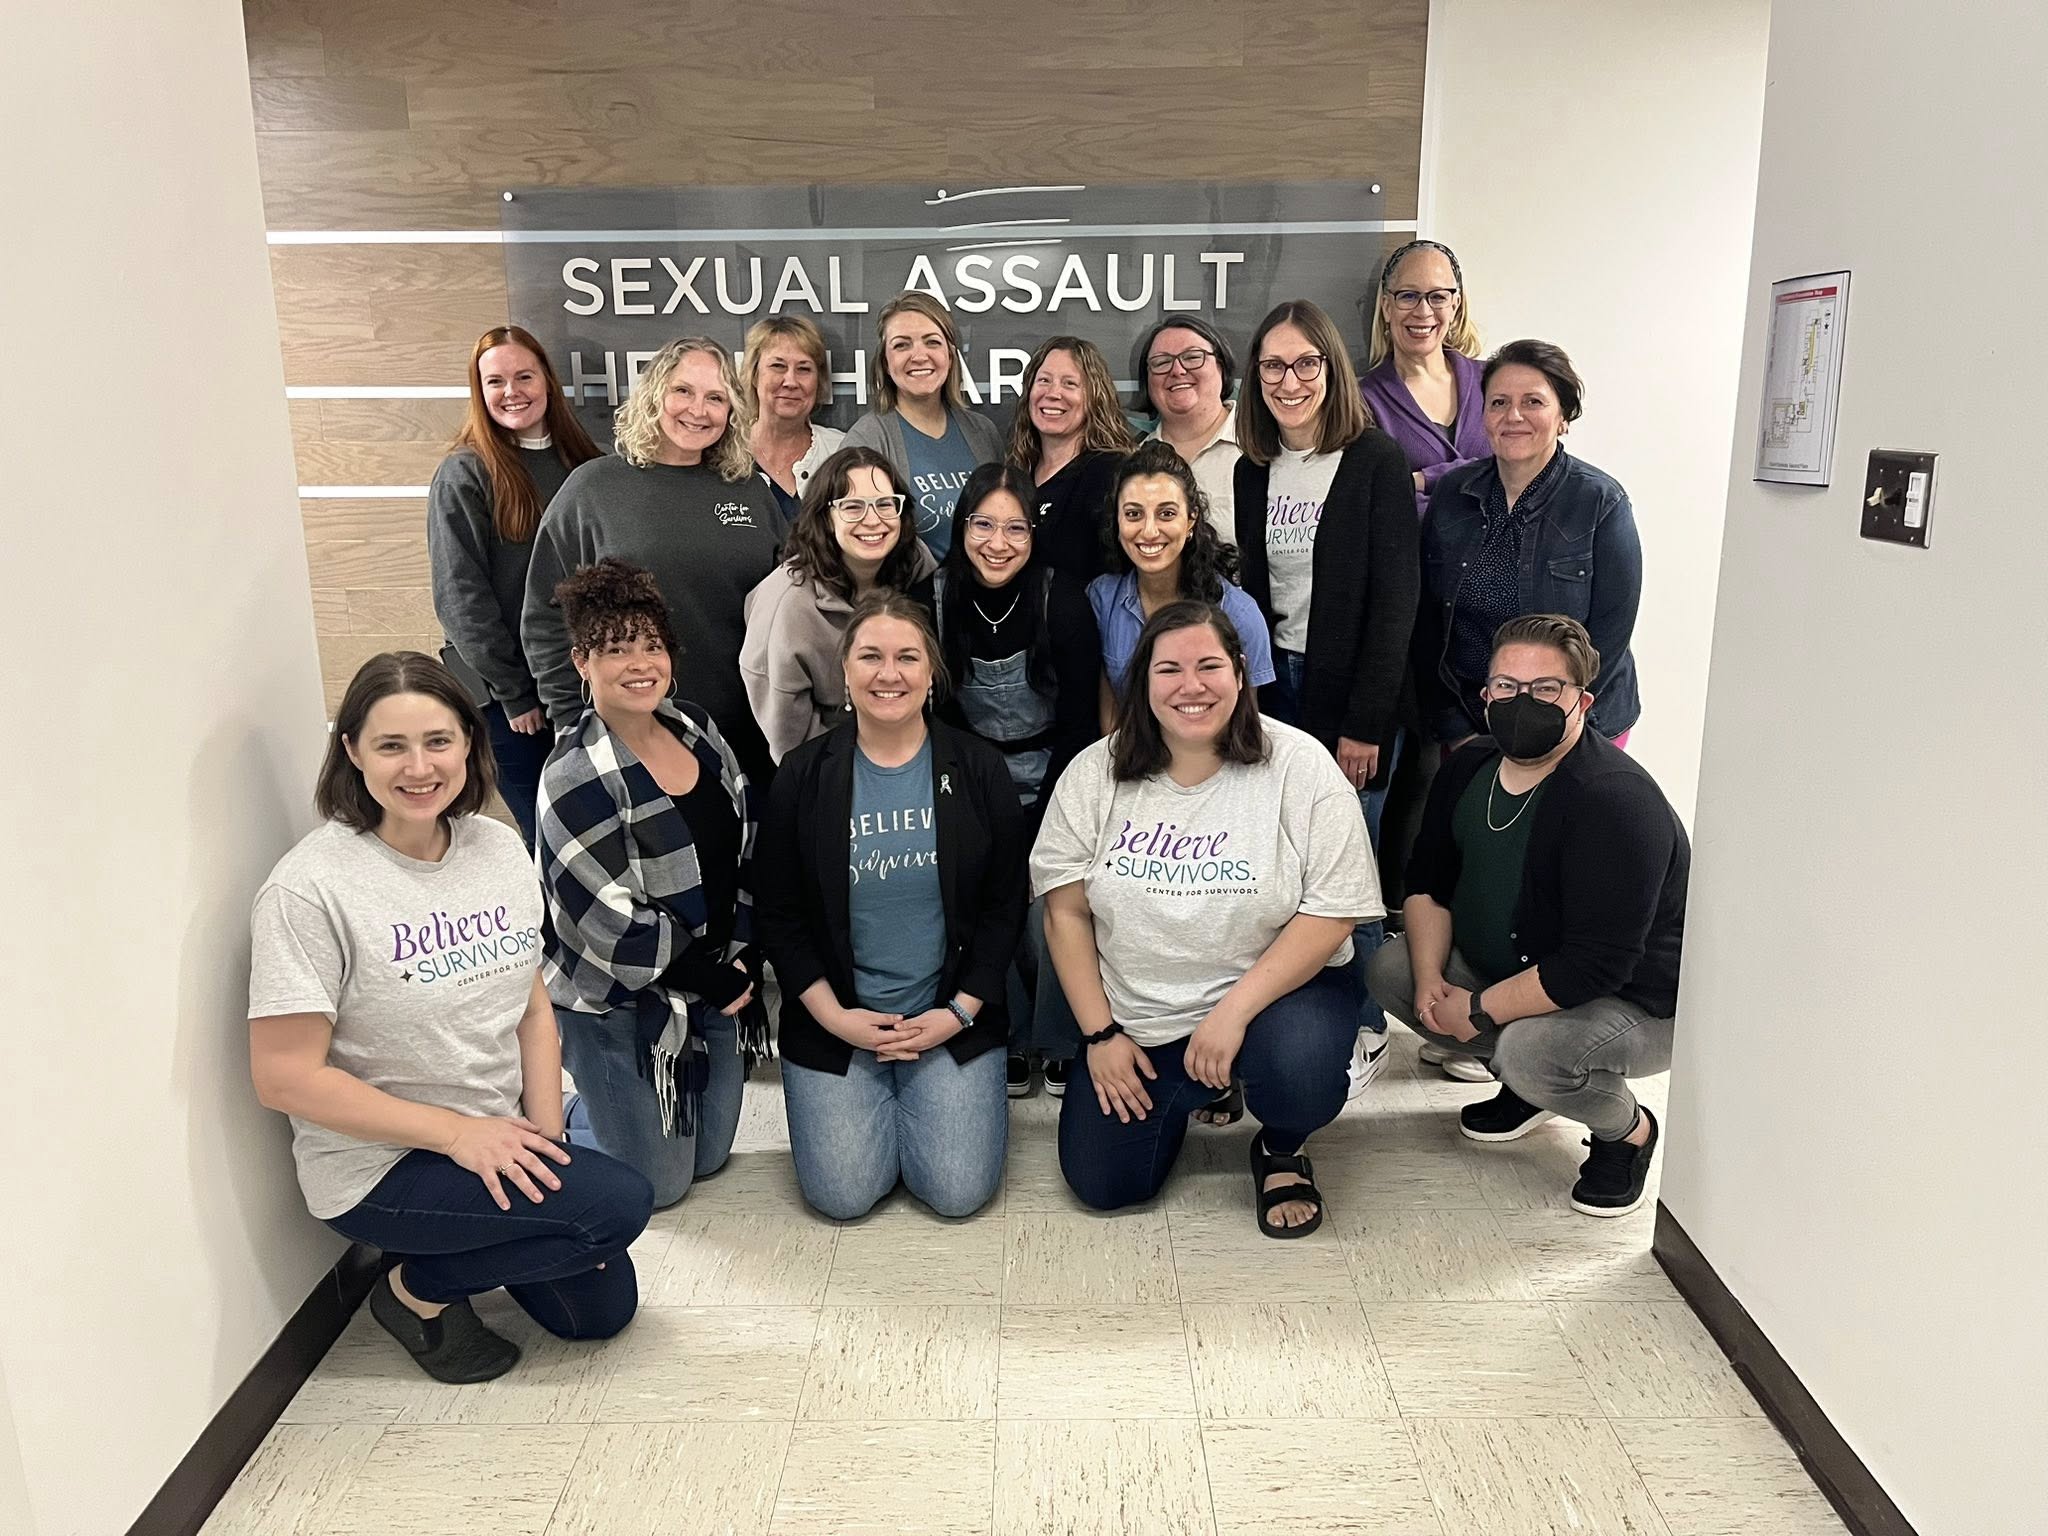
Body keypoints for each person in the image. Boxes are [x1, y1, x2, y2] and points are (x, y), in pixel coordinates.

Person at [249, 652, 653, 1385]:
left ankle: (464, 1242)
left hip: (497, 1128)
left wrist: (544, 1138)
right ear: (351, 753)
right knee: (617, 1206)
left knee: (598, 1312)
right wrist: (459, 1135)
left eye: (438, 741)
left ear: (470, 742)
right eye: (391, 745)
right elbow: (285, 1079)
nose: (419, 767)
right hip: (385, 1165)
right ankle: (414, 1291)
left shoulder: (496, 848)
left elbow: (531, 1005)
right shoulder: (310, 890)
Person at [1034, 602, 1383, 1236]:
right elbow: (1065, 913)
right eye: (1168, 669)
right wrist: (1101, 1037)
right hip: (1141, 1018)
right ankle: (1205, 1086)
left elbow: (1331, 917)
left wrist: (1231, 1016)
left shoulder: (1301, 767)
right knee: (1107, 1185)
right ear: (1142, 681)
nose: (1190, 686)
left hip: (1272, 1002)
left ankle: (1280, 1149)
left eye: (1208, 666)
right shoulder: (1094, 773)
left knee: (1298, 1069)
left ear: (1241, 671)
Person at [1367, 615, 1686, 1217]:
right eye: (1507, 687)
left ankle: (1627, 1132)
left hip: (1634, 1003)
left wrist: (1480, 1008)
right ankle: (1530, 1088)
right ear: (1486, 695)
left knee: (1528, 1050)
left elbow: (1596, 966)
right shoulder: (1469, 767)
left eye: (1546, 689)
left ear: (1583, 702)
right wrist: (1435, 982)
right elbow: (1427, 883)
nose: (1523, 702)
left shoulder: (1614, 800)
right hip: (1528, 970)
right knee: (1393, 969)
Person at [756, 593, 1027, 1220]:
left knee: (958, 1193)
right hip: (838, 1019)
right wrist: (838, 1020)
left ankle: (924, 1092)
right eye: (870, 657)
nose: (889, 673)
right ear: (844, 673)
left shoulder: (979, 768)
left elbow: (1004, 905)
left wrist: (958, 1013)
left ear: (931, 673)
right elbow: (780, 917)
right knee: (843, 1197)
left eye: (908, 657)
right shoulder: (802, 776)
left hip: (949, 1012)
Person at [1233, 298, 1420, 1097]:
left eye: (1306, 362)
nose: (1289, 379)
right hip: (1279, 690)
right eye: (1273, 365)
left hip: (1353, 698)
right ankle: (1301, 1007)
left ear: (1332, 369)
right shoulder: (1253, 468)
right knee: (1289, 861)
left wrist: (1365, 723)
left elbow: (1396, 600)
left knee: (1354, 863)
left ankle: (1369, 1021)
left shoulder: (1373, 459)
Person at [535, 560, 759, 1209]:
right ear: (582, 660)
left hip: (711, 982)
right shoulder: (574, 772)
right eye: (616, 649)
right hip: (620, 1000)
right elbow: (600, 918)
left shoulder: (697, 729)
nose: (639, 664)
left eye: (651, 645)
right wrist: (713, 977)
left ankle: (623, 1118)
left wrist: (744, 949)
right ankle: (563, 1115)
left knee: (710, 1160)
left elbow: (743, 844)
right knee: (657, 1188)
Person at [913, 462, 1105, 1100]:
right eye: (983, 525)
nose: (999, 543)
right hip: (968, 778)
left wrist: (1044, 825)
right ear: (962, 527)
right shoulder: (932, 599)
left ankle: (1057, 1037)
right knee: (978, 900)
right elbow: (932, 720)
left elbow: (1080, 723)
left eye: (1015, 528)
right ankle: (1007, 1030)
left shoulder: (1063, 598)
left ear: (1034, 533)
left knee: (1054, 901)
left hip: (1058, 777)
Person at [522, 336, 785, 783]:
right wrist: (571, 718)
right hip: (626, 738)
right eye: (682, 391)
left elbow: (788, 607)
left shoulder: (751, 492)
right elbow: (546, 616)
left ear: (733, 412)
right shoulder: (593, 489)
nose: (697, 410)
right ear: (653, 394)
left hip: (746, 736)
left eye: (715, 398)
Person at [427, 325, 603, 846]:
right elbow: (461, 600)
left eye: (524, 376)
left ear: (547, 380)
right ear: (479, 392)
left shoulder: (586, 464)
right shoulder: (465, 473)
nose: (512, 392)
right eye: (495, 381)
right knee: (550, 840)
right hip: (516, 706)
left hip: (587, 687)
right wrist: (514, 693)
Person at [1420, 340, 1643, 750]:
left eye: (1533, 402)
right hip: (1474, 723)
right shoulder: (1453, 494)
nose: (1514, 416)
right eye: (1499, 402)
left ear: (1563, 417)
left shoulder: (1601, 503)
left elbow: (1610, 635)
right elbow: (1429, 622)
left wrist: (1562, 734)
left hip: (1577, 727)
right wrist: (1455, 727)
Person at [740, 446, 937, 763]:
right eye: (853, 506)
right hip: (829, 768)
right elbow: (793, 748)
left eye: (885, 505)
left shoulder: (915, 563)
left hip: (912, 748)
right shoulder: (787, 605)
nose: (872, 520)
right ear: (825, 518)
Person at [1089, 439, 1275, 725]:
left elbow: (1246, 722)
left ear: (1191, 521)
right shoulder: (1101, 599)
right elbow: (1110, 718)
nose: (1149, 531)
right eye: (1133, 514)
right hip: (1130, 763)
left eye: (1166, 514)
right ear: (1117, 521)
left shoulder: (1239, 614)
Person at [842, 291, 1003, 559]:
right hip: (907, 598)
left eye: (932, 342)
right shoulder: (867, 440)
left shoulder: (983, 432)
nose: (919, 356)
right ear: (885, 360)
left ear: (950, 356)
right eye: (902, 345)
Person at [1358, 240, 1489, 517]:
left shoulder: (1494, 382)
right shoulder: (1362, 400)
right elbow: (1376, 502)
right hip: (1415, 559)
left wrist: (1420, 480)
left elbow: (1530, 471)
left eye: (1438, 297)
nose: (1423, 311)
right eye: (1408, 295)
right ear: (1386, 307)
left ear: (1455, 304)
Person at [1005, 335, 1135, 579]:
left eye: (1069, 384)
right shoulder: (1018, 474)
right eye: (1044, 380)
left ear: (1094, 397)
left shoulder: (1112, 473)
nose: (1053, 393)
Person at [1134, 315, 1242, 543]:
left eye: (1193, 357)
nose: (1177, 370)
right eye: (1162, 362)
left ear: (1221, 367)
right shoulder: (1132, 462)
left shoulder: (1263, 446)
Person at [742, 314, 846, 526]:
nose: (790, 381)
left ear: (819, 381)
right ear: (754, 375)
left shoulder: (842, 451)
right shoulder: (725, 455)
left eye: (804, 369)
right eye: (778, 366)